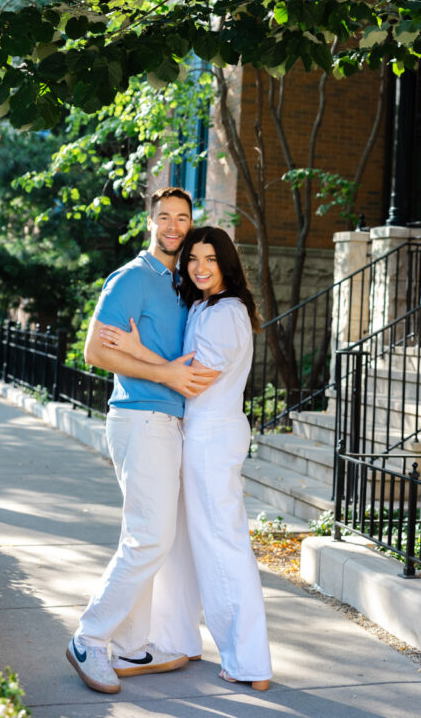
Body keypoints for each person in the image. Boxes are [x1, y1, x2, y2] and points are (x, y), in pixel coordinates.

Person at [98, 225, 273, 691]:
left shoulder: (226, 313)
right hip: (191, 436)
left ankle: (249, 661)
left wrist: (136, 352)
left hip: (211, 440)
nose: (199, 267)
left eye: (211, 259)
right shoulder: (204, 306)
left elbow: (193, 381)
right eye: (193, 258)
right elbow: (180, 369)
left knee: (221, 544)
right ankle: (177, 640)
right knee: (182, 545)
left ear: (226, 265)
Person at [66, 187, 220, 695]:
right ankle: (90, 637)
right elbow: (94, 351)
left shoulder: (178, 283)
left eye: (183, 217)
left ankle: (131, 645)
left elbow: (175, 364)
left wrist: (161, 367)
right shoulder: (132, 278)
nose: (174, 226)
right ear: (149, 221)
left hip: (164, 421)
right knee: (149, 536)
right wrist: (168, 376)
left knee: (146, 534)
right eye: (164, 217)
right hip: (142, 418)